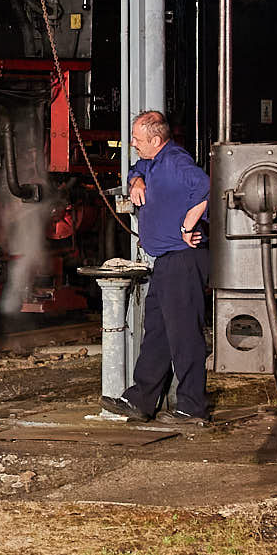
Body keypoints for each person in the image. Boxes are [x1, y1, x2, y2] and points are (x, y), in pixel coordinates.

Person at [103, 110, 213, 427]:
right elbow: (137, 167)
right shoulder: (153, 161)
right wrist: (135, 180)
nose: (133, 145)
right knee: (158, 333)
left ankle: (193, 407)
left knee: (184, 335)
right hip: (166, 260)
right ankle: (141, 400)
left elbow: (208, 187)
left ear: (155, 139)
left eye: (137, 140)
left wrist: (190, 222)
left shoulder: (176, 161)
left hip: (183, 258)